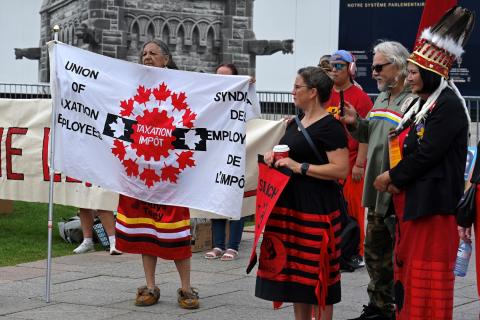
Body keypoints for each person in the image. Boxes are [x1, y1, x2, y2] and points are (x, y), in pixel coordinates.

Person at [373, 6, 474, 320]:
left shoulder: (448, 106)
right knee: (408, 276)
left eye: (414, 72)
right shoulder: (419, 103)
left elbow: (428, 152)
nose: (409, 77)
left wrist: (392, 176)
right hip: (411, 205)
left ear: (431, 72)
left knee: (425, 280)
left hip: (432, 208)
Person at [255, 66, 349, 320]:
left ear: (314, 92)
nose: (292, 91)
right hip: (291, 209)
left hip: (317, 210)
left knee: (320, 276)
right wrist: (272, 157)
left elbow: (341, 169)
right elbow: (290, 157)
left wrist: (300, 167)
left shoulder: (330, 127)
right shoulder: (295, 123)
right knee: (297, 278)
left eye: (298, 87)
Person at [114, 39, 198, 309]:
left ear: (166, 58)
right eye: (144, 53)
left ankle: (186, 289)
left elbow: (211, 98)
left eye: (153, 53)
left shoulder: (183, 85)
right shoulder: (132, 86)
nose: (147, 57)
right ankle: (150, 286)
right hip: (140, 174)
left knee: (176, 235)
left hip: (171, 177)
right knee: (145, 234)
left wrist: (242, 86)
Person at [342, 41, 412, 320]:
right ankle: (379, 307)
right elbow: (368, 133)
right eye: (372, 67)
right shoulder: (382, 97)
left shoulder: (414, 99)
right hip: (377, 189)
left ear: (399, 65)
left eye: (379, 67)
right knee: (374, 253)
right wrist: (354, 122)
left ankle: (400, 308)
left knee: (399, 256)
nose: (374, 73)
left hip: (398, 191)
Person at [325, 50, 373, 268]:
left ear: (350, 69)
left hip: (353, 162)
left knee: (354, 209)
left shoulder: (360, 98)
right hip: (329, 162)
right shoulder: (324, 95)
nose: (334, 70)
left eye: (339, 66)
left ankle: (358, 251)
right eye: (331, 65)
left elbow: (366, 133)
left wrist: (360, 164)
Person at [204, 63, 245, 261]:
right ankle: (218, 244)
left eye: (226, 77)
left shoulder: (241, 99)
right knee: (217, 199)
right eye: (218, 76)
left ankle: (233, 245)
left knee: (235, 199)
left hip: (235, 155)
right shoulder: (212, 99)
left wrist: (248, 86)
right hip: (216, 156)